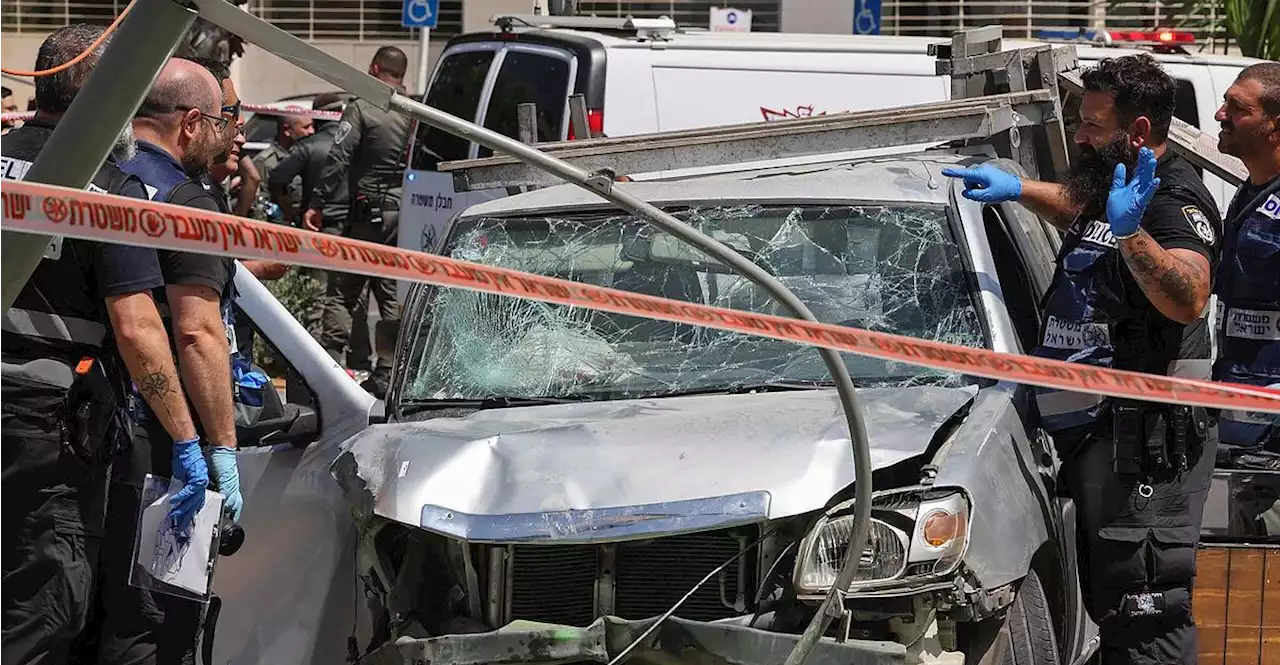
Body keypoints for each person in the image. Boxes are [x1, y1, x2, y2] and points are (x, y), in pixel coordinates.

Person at [942, 54, 1221, 664]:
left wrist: (1132, 235)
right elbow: (1081, 210)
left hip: (1143, 443)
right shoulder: (1116, 185)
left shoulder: (1171, 199)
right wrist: (1017, 191)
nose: (1079, 135)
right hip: (1094, 438)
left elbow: (1188, 296)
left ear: (1138, 131)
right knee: (1110, 604)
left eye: (1093, 125)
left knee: (1146, 610)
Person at [0, 24, 207, 664]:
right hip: (43, 426)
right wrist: (188, 438)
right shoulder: (103, 190)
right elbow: (139, 328)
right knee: (41, 606)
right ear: (104, 98)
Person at [78, 56, 240, 665]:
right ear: (193, 123)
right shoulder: (188, 201)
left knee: (86, 616)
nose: (232, 135)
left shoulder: (96, 176)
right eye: (225, 120)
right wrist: (220, 448)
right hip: (165, 443)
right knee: (154, 624)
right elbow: (198, 333)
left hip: (87, 426)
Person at [304, 47, 413, 398]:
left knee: (342, 291)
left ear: (374, 68)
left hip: (366, 215)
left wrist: (317, 202)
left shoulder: (363, 107)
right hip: (405, 215)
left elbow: (339, 157)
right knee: (391, 294)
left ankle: (331, 368)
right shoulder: (415, 112)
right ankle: (386, 374)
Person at [269, 93, 372, 371]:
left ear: (317, 116)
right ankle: (360, 361)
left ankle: (321, 366)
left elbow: (277, 177)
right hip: (354, 230)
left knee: (319, 297)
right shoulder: (359, 145)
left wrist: (289, 209)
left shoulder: (309, 147)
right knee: (354, 298)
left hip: (319, 231)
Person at [253, 112, 313, 217]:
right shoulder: (265, 162)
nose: (312, 131)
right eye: (306, 127)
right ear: (287, 130)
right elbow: (260, 203)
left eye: (312, 126)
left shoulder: (309, 156)